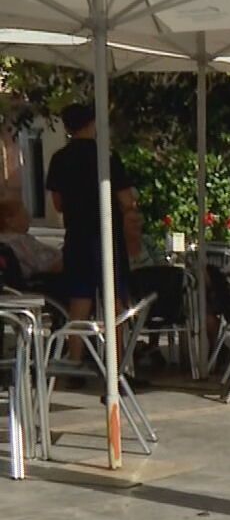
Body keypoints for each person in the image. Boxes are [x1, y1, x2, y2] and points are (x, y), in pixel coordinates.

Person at [45, 102, 135, 357]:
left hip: (77, 236)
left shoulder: (59, 158)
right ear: (92, 123)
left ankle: (75, 361)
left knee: (79, 301)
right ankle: (116, 364)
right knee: (114, 301)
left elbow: (58, 203)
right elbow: (126, 199)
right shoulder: (106, 156)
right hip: (106, 235)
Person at [0, 195, 62, 281]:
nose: (29, 219)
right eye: (25, 215)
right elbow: (38, 265)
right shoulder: (18, 241)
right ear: (10, 221)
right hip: (43, 278)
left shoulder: (9, 240)